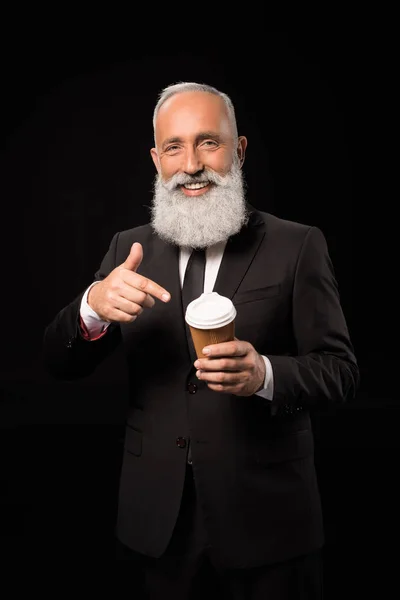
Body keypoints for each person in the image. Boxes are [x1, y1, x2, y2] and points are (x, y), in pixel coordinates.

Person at [43, 81, 359, 598]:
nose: (192, 164)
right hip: (157, 528)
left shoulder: (298, 245)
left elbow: (341, 371)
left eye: (208, 142)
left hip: (269, 525)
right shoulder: (130, 248)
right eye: (174, 146)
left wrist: (266, 375)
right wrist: (91, 307)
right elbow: (58, 363)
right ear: (156, 159)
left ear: (238, 150)